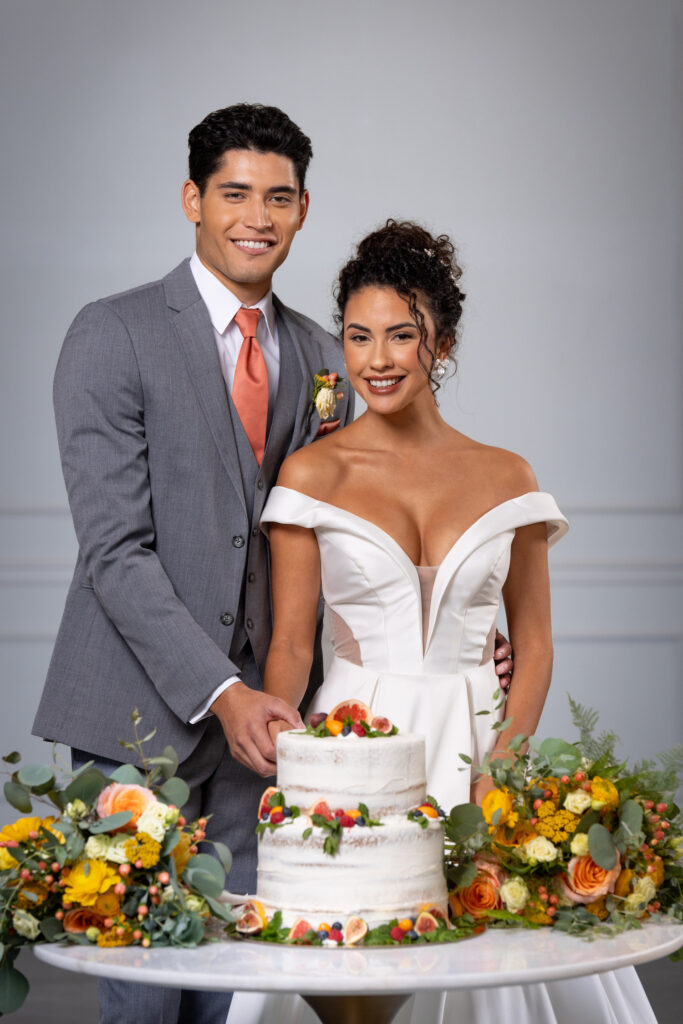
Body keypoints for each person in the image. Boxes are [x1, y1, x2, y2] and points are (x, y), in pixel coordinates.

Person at [228, 221, 656, 1023]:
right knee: (353, 985)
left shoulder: (506, 475)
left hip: (478, 740)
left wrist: (507, 761)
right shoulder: (313, 471)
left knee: (488, 954)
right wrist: (289, 761)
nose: (376, 360)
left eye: (401, 335)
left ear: (443, 344)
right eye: (358, 337)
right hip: (353, 748)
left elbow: (533, 644)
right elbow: (290, 641)